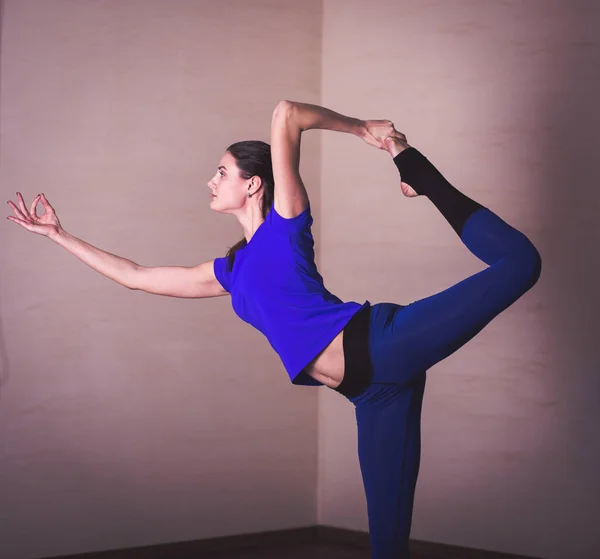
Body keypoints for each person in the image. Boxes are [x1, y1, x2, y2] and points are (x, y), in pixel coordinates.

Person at [6, 100, 542, 558]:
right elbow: (136, 277)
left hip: (384, 340)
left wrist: (364, 131)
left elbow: (287, 114)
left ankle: (421, 175)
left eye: (221, 172)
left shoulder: (286, 224)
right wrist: (58, 235)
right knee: (387, 541)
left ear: (253, 183)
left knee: (520, 264)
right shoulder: (232, 272)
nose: (210, 181)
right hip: (372, 393)